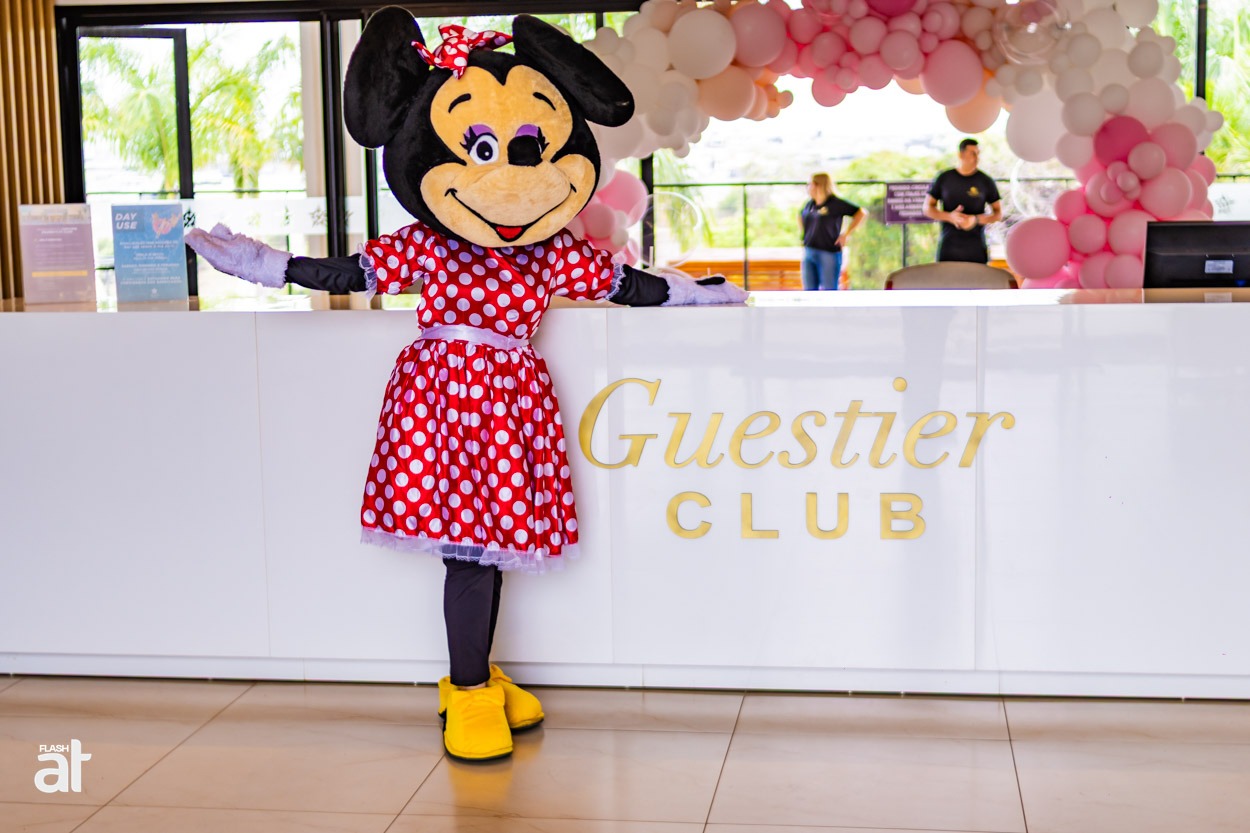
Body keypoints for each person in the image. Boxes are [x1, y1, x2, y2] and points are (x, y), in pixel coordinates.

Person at [185, 11, 746, 764]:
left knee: (493, 546)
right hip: (441, 404)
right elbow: (349, 273)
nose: (510, 178)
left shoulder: (552, 252)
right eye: (484, 149)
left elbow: (627, 286)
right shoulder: (428, 243)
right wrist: (266, 264)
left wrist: (695, 293)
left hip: (509, 404)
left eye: (527, 150)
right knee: (470, 554)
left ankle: (475, 675)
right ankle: (469, 686)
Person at [923, 138, 1003, 263]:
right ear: (961, 155)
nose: (977, 158)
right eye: (973, 153)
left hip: (977, 249)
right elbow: (927, 208)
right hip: (948, 248)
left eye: (978, 154)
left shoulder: (985, 181)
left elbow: (998, 214)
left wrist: (975, 220)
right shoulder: (944, 178)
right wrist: (950, 217)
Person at [800, 173, 866, 290]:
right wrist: (804, 235)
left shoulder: (835, 203)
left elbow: (860, 213)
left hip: (828, 252)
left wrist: (846, 234)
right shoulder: (810, 204)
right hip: (809, 251)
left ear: (818, 185)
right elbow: (800, 216)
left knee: (830, 289)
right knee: (809, 290)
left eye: (810, 184)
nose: (808, 187)